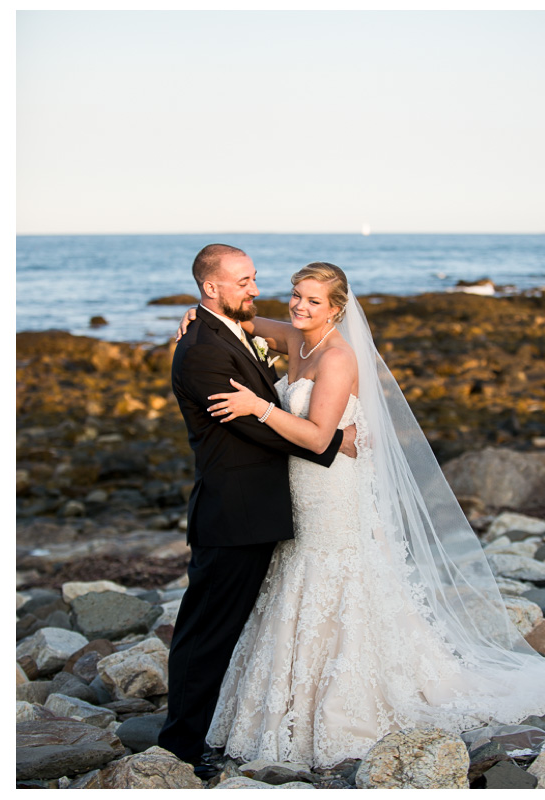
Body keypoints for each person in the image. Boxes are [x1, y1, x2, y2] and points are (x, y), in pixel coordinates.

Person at [176, 262, 545, 769]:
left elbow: (314, 436)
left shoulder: (335, 356)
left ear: (338, 309)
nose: (298, 306)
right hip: (294, 490)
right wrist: (195, 316)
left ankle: (345, 700)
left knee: (335, 578)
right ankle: (284, 698)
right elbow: (238, 323)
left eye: (313, 301)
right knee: (293, 580)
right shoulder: (296, 337)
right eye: (296, 295)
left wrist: (257, 406)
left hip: (329, 488)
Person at [157, 244, 358, 777]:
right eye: (243, 281)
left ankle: (238, 724)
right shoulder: (202, 350)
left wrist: (204, 314)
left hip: (269, 507)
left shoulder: (226, 328)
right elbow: (250, 428)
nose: (255, 289)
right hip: (235, 512)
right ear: (211, 288)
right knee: (208, 631)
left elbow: (253, 329)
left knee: (240, 624)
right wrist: (334, 442)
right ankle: (180, 748)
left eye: (253, 279)